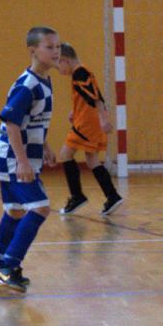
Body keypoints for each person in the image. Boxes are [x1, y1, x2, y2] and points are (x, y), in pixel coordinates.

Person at [0, 26, 60, 293]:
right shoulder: (28, 85)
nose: (56, 51)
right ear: (33, 51)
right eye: (49, 47)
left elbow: (31, 121)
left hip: (19, 155)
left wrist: (45, 146)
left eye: (58, 46)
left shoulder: (44, 81)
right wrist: (22, 161)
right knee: (40, 208)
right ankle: (9, 266)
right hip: (12, 157)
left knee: (15, 211)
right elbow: (12, 123)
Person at [57, 42, 124, 216]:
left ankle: (77, 196)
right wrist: (75, 111)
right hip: (88, 121)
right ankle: (112, 196)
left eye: (58, 64)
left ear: (65, 60)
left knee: (65, 154)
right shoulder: (81, 71)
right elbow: (88, 96)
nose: (58, 69)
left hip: (87, 124)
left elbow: (96, 97)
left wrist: (104, 119)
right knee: (92, 160)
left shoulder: (79, 72)